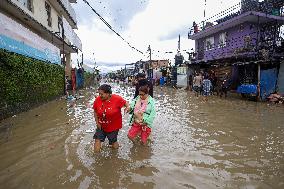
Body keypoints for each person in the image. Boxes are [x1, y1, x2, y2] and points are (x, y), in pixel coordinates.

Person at [92, 84, 130, 152]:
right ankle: (96, 159)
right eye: (99, 94)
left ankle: (115, 156)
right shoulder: (98, 100)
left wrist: (127, 107)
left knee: (113, 142)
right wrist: (97, 123)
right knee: (97, 140)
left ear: (108, 93)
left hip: (113, 126)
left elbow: (126, 103)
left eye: (102, 94)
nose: (99, 96)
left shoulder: (117, 99)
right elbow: (95, 111)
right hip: (101, 125)